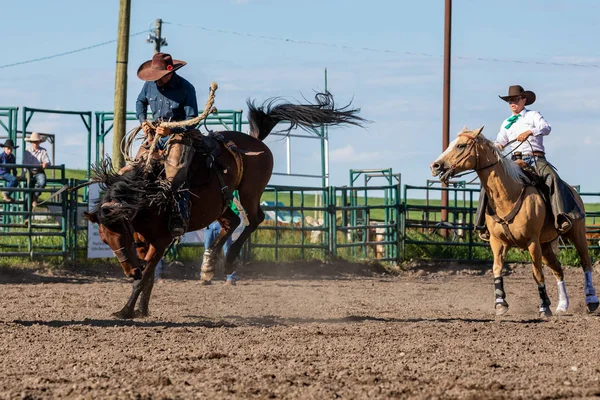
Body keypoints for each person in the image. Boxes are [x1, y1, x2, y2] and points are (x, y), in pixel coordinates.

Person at [475, 85, 584, 241]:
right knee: (490, 184)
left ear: (523, 100)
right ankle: (484, 224)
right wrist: (496, 147)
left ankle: (561, 217)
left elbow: (546, 128)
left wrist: (530, 131)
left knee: (552, 178)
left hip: (535, 158)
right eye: (510, 100)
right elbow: (501, 141)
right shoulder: (507, 123)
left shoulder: (533, 115)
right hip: (514, 162)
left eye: (515, 99)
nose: (512, 103)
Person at [135, 52, 199, 237]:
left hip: (179, 136)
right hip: (154, 134)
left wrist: (172, 131)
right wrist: (143, 121)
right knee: (137, 165)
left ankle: (179, 214)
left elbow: (192, 120)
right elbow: (140, 102)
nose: (156, 80)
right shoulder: (149, 85)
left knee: (175, 170)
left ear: (170, 72)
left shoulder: (186, 88)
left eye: (159, 77)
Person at [23, 132, 51, 208]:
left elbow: (47, 161)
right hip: (29, 172)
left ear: (39, 142)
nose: (35, 143)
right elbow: (24, 163)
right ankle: (26, 216)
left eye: (36, 141)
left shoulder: (43, 151)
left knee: (42, 182)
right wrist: (23, 174)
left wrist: (45, 164)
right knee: (27, 193)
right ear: (31, 142)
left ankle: (35, 197)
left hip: (39, 171)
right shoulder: (27, 150)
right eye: (33, 141)